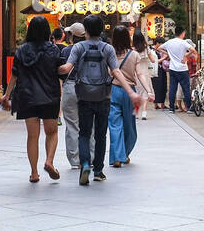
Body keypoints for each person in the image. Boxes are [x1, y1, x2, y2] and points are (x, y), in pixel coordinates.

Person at [59, 14, 141, 185]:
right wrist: (131, 93)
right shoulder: (107, 49)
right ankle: (98, 171)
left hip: (84, 96)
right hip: (103, 96)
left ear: (85, 31)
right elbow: (116, 72)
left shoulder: (78, 47)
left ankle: (85, 164)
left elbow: (67, 68)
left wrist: (53, 67)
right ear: (102, 30)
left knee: (84, 132)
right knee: (101, 134)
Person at [0, 15, 65, 182]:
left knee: (32, 136)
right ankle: (49, 161)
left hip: (27, 97)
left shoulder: (22, 50)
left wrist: (6, 95)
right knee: (52, 132)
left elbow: (14, 75)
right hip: (49, 96)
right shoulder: (53, 50)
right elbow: (60, 72)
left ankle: (34, 173)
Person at [108, 26, 142, 167]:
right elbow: (140, 74)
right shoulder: (134, 55)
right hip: (130, 92)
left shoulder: (109, 53)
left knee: (115, 125)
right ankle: (124, 154)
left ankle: (117, 156)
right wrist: (148, 90)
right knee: (130, 125)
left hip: (113, 91)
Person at [60, 21, 88, 169]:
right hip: (89, 88)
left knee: (71, 124)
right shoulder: (91, 48)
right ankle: (89, 156)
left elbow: (62, 71)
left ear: (71, 35)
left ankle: (75, 160)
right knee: (90, 124)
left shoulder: (66, 51)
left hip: (71, 86)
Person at [161, 25, 196, 112]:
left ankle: (171, 107)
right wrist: (185, 56)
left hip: (172, 68)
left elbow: (159, 48)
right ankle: (189, 107)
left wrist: (168, 54)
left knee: (172, 88)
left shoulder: (169, 42)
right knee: (186, 89)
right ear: (183, 33)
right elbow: (193, 50)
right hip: (183, 69)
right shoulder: (183, 42)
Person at [132, 29, 157, 120]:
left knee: (137, 93)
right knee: (146, 93)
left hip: (135, 74)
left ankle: (136, 112)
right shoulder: (146, 49)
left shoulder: (132, 50)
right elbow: (153, 60)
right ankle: (144, 113)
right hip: (145, 74)